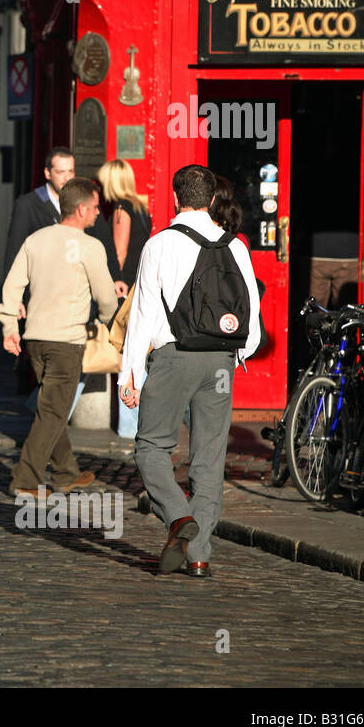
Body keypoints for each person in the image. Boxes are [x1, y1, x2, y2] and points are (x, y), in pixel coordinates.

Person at [119, 165, 261, 578]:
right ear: (212, 199)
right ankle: (199, 555)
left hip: (172, 357)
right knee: (210, 458)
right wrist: (238, 356)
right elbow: (251, 311)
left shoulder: (160, 243)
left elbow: (142, 314)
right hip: (220, 361)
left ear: (175, 198)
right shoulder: (235, 246)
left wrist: (129, 373)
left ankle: (179, 518)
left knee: (150, 447)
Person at [0, 178, 117, 500]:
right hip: (66, 342)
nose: (96, 214)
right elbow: (106, 297)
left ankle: (66, 473)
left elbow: (12, 287)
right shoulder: (90, 247)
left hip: (35, 338)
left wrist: (10, 327)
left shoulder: (36, 240)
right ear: (80, 209)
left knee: (52, 407)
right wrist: (109, 323)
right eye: (94, 208)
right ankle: (25, 479)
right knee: (53, 411)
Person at [97, 159, 152, 298]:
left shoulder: (121, 208)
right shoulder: (139, 206)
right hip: (137, 278)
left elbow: (119, 254)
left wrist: (112, 283)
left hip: (124, 283)